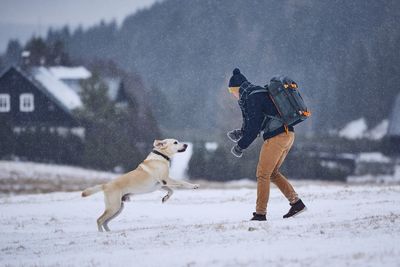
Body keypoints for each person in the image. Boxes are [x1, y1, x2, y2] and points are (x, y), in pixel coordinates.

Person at [227, 68, 306, 221]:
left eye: (232, 91)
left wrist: (240, 146)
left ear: (237, 88)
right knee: (273, 173)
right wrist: (240, 133)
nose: (232, 94)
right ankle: (297, 203)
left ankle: (260, 214)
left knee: (262, 174)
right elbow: (260, 120)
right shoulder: (257, 93)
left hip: (277, 136)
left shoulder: (251, 97)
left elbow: (255, 126)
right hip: (288, 134)